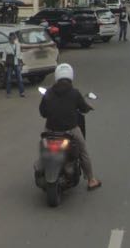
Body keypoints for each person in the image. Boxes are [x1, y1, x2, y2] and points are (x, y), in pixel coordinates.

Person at [38, 63, 100, 191]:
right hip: (70, 131)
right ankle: (91, 180)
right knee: (83, 151)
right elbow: (83, 108)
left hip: (50, 131)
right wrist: (88, 107)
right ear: (70, 76)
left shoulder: (49, 93)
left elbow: (42, 113)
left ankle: (44, 165)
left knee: (43, 147)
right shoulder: (74, 93)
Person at [4, 31, 25, 97]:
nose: (13, 39)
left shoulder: (17, 45)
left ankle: (21, 92)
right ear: (10, 38)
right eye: (12, 38)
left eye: (14, 38)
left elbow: (19, 54)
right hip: (10, 64)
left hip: (16, 63)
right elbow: (4, 56)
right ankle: (8, 93)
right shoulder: (6, 46)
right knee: (9, 79)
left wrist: (21, 62)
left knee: (20, 79)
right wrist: (5, 65)